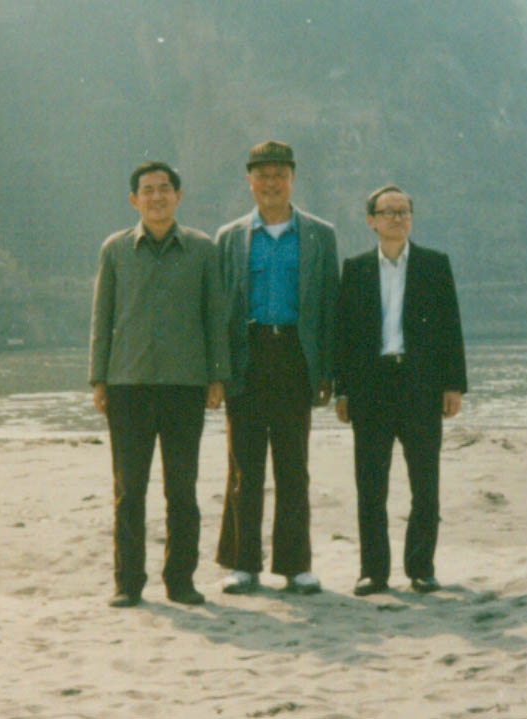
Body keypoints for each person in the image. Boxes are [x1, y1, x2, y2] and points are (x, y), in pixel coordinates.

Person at [89, 161, 229, 607]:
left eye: (164, 188)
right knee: (129, 490)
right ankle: (128, 583)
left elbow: (215, 316)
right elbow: (102, 319)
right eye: (147, 190)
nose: (156, 196)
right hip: (127, 385)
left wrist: (217, 376)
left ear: (178, 196)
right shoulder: (115, 250)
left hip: (185, 386)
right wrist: (98, 379)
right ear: (134, 200)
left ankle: (180, 580)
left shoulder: (202, 249)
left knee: (182, 489)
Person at [215, 141, 340, 595]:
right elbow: (219, 310)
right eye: (262, 175)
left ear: (292, 179)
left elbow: (328, 305)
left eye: (279, 175)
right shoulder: (230, 237)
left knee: (293, 467)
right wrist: (218, 371)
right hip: (246, 356)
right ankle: (242, 564)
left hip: (294, 355)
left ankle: (295, 566)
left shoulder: (320, 235)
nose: (271, 183)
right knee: (244, 467)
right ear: (250, 181)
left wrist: (327, 371)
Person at [334, 185, 467, 596]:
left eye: (404, 211)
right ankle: (373, 572)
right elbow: (344, 335)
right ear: (371, 220)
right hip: (371, 387)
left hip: (420, 385)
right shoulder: (355, 268)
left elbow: (450, 327)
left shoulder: (433, 264)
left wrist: (453, 385)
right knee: (371, 486)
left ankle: (421, 569)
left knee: (425, 484)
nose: (397, 218)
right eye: (388, 212)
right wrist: (342, 390)